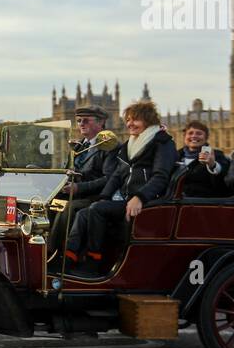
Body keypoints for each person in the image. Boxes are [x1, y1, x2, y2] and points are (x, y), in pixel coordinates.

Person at [65, 99, 177, 275]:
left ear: (148, 121)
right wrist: (104, 196)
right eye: (129, 120)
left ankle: (94, 262)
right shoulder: (130, 144)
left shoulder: (162, 143)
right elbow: (117, 175)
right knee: (83, 213)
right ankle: (68, 258)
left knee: (96, 210)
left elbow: (160, 177)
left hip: (150, 201)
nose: (130, 124)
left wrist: (140, 197)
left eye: (135, 120)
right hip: (126, 198)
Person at [47, 106, 114, 258]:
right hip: (74, 192)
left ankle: (56, 253)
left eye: (86, 121)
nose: (81, 124)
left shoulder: (109, 146)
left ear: (101, 122)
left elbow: (108, 179)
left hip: (94, 197)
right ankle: (41, 246)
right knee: (46, 203)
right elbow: (67, 171)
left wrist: (79, 187)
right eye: (78, 121)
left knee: (67, 207)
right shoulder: (79, 146)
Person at [174, 120, 228, 197]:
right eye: (190, 133)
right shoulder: (175, 156)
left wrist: (212, 164)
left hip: (203, 203)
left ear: (206, 138)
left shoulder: (216, 155)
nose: (194, 136)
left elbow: (223, 177)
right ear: (185, 137)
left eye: (199, 133)